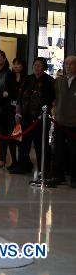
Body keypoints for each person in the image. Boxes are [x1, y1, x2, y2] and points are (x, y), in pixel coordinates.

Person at [10, 57, 57, 176]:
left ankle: (44, 169)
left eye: (40, 65)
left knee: (41, 144)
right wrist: (18, 112)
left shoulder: (50, 81)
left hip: (41, 118)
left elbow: (53, 100)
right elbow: (20, 96)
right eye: (35, 65)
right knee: (23, 142)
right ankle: (23, 165)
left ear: (44, 67)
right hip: (25, 116)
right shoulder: (27, 79)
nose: (37, 67)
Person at [50, 55, 76, 187]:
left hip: (74, 122)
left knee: (73, 150)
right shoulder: (59, 81)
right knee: (58, 149)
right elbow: (56, 98)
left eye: (71, 64)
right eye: (66, 64)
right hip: (60, 120)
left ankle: (74, 177)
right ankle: (57, 175)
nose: (68, 66)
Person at [0, 57, 25, 169]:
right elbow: (5, 93)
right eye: (14, 64)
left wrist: (10, 95)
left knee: (19, 137)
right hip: (9, 110)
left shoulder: (26, 78)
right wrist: (10, 95)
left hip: (21, 110)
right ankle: (13, 161)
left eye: (18, 64)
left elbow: (20, 95)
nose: (16, 66)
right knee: (11, 136)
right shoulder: (9, 76)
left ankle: (21, 161)